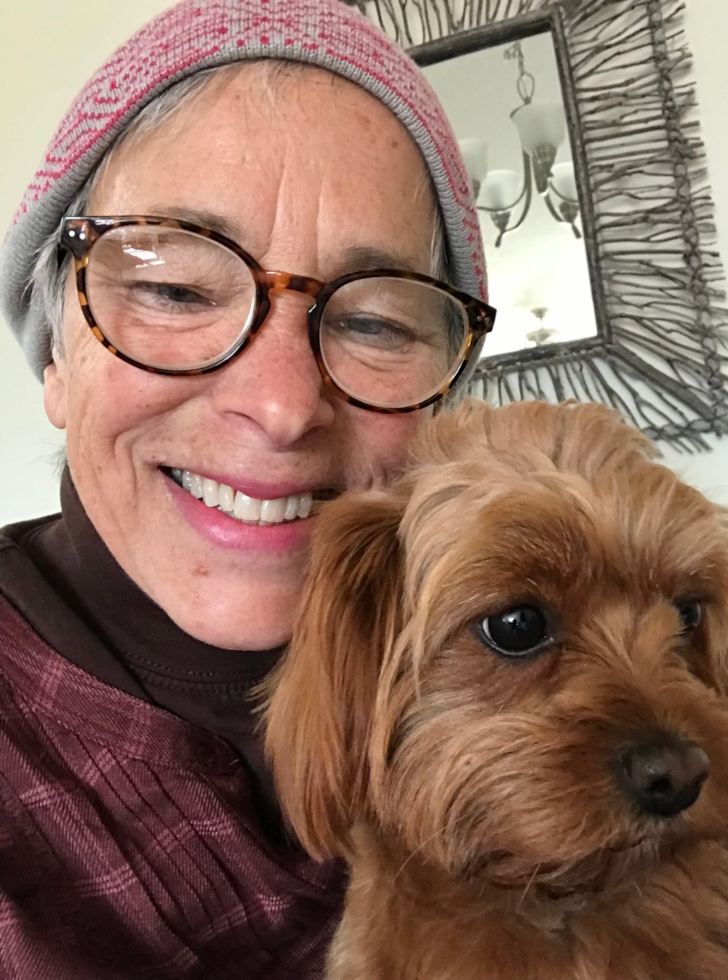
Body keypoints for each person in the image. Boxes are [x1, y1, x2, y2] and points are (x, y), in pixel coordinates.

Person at [0, 0, 492, 976]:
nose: (282, 406)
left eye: (375, 322)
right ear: (55, 356)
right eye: (176, 289)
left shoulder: (523, 658)